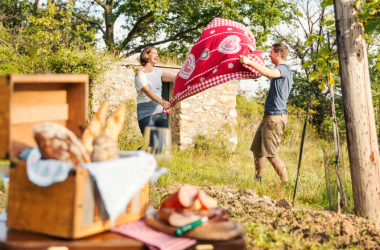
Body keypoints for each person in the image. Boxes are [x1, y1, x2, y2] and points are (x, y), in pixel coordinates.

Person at [239, 43, 293, 183]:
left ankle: (285, 184)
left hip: (275, 118)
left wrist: (250, 61)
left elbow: (268, 72)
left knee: (271, 154)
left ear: (278, 54)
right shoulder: (280, 71)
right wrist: (253, 56)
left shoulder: (283, 69)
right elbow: (266, 72)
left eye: (271, 52)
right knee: (257, 150)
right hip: (269, 116)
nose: (269, 55)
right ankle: (258, 180)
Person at [134, 47, 176, 135]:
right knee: (151, 144)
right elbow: (146, 90)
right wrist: (162, 102)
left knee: (163, 144)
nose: (157, 55)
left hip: (160, 112)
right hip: (146, 113)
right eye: (154, 53)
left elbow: (177, 79)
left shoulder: (158, 72)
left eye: (157, 54)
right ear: (146, 55)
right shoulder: (140, 73)